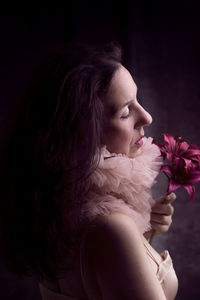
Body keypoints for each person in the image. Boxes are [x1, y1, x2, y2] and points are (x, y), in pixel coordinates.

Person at [0, 42, 178, 300]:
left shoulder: (57, 210)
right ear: (83, 133)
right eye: (126, 112)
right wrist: (129, 239)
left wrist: (144, 235)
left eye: (137, 100)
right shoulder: (111, 229)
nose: (147, 117)